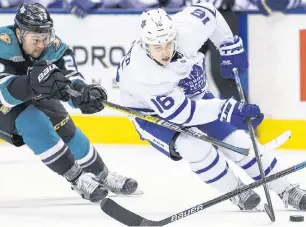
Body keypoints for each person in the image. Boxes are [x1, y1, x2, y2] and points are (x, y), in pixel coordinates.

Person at [116, 3, 306, 210]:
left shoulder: (187, 30)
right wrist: (227, 109)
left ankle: (286, 190)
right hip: (151, 113)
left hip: (192, 98)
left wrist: (227, 45)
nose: (165, 52)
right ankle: (236, 191)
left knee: (238, 141)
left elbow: (211, 12)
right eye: (157, 47)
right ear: (145, 45)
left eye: (169, 44)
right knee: (194, 148)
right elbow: (183, 114)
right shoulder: (144, 75)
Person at [0, 3, 138, 203]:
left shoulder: (54, 46)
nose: (42, 44)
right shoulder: (0, 43)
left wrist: (84, 93)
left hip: (30, 92)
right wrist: (34, 82)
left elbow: (70, 79)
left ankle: (102, 175)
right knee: (33, 122)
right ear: (19, 33)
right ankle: (77, 179)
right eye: (35, 39)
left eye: (45, 37)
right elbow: (4, 94)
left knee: (64, 125)